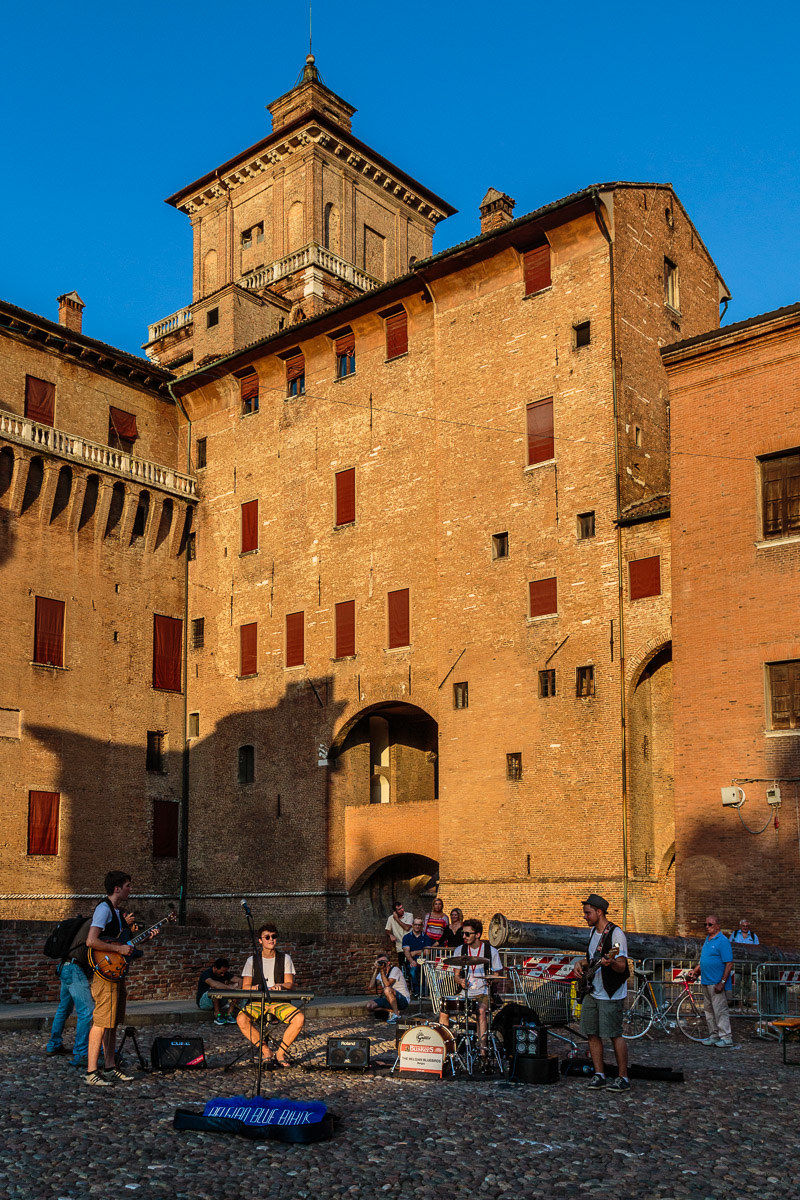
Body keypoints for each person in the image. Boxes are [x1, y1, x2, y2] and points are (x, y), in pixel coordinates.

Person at [85, 871, 159, 1087]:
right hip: (104, 973)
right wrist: (118, 949)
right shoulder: (103, 909)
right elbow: (91, 941)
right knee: (101, 1022)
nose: (130, 889)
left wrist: (142, 940)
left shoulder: (117, 912)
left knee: (112, 1022)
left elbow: (123, 945)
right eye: (128, 886)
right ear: (117, 888)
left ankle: (110, 1067)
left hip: (116, 972)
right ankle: (91, 1071)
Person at [574, 894, 631, 1091]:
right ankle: (599, 1074)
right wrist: (580, 963)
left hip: (610, 993)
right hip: (592, 990)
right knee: (591, 1033)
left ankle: (623, 1077)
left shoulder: (616, 934)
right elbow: (592, 959)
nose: (585, 916)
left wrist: (612, 962)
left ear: (599, 912)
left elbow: (621, 965)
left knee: (614, 1034)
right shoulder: (593, 933)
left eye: (588, 913)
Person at [237, 923, 304, 1067]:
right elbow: (245, 986)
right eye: (267, 937)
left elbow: (290, 983)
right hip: (257, 1002)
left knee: (299, 1018)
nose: (271, 939)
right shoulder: (251, 960)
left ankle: (280, 1053)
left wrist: (281, 986)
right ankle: (265, 1051)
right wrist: (254, 988)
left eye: (274, 936)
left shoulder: (285, 958)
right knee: (241, 1019)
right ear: (260, 941)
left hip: (279, 1001)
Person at [440, 918, 503, 1056]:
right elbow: (456, 976)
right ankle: (446, 1050)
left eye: (467, 934)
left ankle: (482, 1051)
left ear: (478, 935)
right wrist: (460, 981)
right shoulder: (460, 950)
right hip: (465, 993)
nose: (464, 936)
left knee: (481, 1011)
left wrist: (491, 980)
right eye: (463, 933)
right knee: (444, 1010)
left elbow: (498, 974)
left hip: (483, 992)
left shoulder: (491, 951)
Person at [45, 932, 95, 1069]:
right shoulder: (98, 924)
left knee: (64, 1008)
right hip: (74, 969)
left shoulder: (82, 926)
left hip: (65, 966)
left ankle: (53, 1045)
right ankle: (81, 1053)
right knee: (86, 1011)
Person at [689, 914, 734, 1047]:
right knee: (709, 1011)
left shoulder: (722, 941)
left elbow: (729, 963)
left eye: (710, 924)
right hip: (706, 981)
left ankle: (726, 1037)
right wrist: (696, 971)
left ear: (717, 926)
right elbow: (704, 960)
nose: (707, 927)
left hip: (716, 982)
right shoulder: (708, 940)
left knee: (720, 1011)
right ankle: (714, 1035)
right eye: (706, 924)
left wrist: (722, 982)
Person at [366, 954, 411, 1023]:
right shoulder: (381, 973)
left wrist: (381, 971)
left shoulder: (395, 970)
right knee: (369, 1006)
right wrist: (376, 970)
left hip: (403, 1000)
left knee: (387, 989)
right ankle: (392, 1011)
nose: (381, 963)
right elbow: (371, 986)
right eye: (379, 962)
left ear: (388, 963)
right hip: (389, 999)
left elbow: (387, 984)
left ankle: (396, 1015)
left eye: (383, 961)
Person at [196, 958, 237, 1024]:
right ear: (215, 968)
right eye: (221, 972)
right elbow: (214, 984)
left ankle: (229, 1015)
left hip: (220, 1001)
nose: (223, 975)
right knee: (215, 990)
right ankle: (217, 1015)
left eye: (224, 972)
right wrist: (230, 987)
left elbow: (239, 980)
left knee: (236, 989)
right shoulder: (206, 974)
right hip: (204, 1002)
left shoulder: (225, 973)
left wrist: (237, 987)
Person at [402, 917, 432, 996]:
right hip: (411, 961)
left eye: (419, 925)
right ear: (412, 925)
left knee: (427, 970)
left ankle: (425, 991)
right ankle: (416, 991)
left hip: (424, 961)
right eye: (415, 924)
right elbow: (407, 952)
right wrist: (412, 961)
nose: (417, 926)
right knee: (413, 970)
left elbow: (427, 952)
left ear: (422, 926)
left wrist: (415, 952)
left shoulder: (426, 937)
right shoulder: (407, 937)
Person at [385, 900, 413, 967]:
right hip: (400, 946)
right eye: (399, 909)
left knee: (412, 966)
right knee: (402, 966)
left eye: (402, 908)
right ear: (395, 911)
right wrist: (390, 935)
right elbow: (387, 930)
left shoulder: (409, 915)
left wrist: (397, 919)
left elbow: (407, 928)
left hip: (411, 946)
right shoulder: (390, 918)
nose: (402, 910)